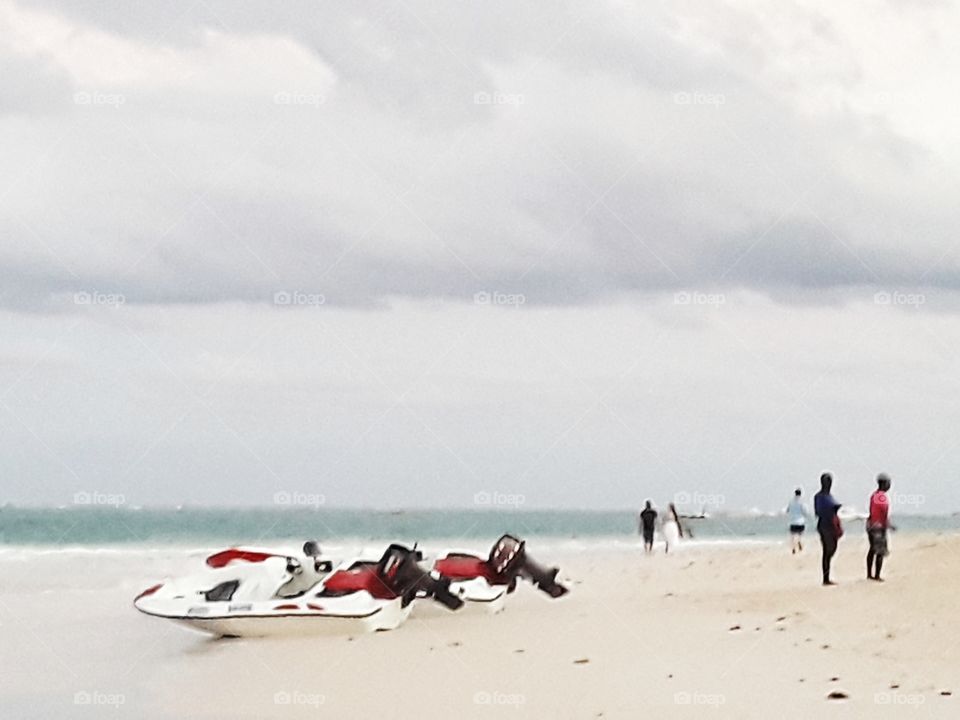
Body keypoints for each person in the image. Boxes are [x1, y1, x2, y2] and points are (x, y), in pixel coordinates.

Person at [814, 472, 842, 585]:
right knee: (827, 551)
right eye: (826, 481)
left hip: (832, 525)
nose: (828, 484)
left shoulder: (830, 496)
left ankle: (827, 576)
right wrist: (831, 509)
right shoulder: (819, 496)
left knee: (832, 549)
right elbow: (818, 511)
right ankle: (826, 578)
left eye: (830, 481)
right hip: (824, 525)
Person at [866, 473, 895, 581]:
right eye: (888, 483)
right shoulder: (881, 497)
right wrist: (887, 525)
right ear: (884, 484)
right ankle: (877, 575)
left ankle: (869, 573)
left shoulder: (874, 495)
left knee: (872, 549)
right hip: (878, 527)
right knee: (880, 551)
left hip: (871, 525)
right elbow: (883, 513)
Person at [786, 488, 808, 554]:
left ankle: (793, 548)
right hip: (800, 521)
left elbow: (787, 510)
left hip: (792, 522)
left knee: (792, 536)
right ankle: (799, 541)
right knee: (800, 534)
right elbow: (805, 512)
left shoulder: (791, 502)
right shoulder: (802, 502)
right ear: (800, 494)